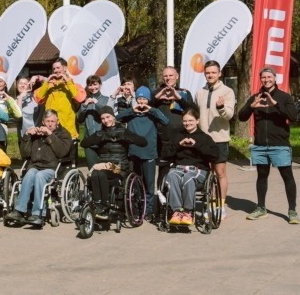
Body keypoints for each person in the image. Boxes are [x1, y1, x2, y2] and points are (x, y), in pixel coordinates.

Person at [237, 66, 300, 224]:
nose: (266, 80)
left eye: (269, 77)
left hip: (280, 145)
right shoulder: (255, 97)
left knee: (287, 177)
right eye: (263, 78)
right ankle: (261, 208)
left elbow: (293, 116)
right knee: (261, 177)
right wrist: (251, 107)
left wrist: (275, 104)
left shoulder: (284, 97)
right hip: (260, 146)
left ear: (275, 78)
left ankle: (292, 210)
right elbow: (241, 117)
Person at [5, 110, 72, 227]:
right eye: (47, 121)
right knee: (30, 173)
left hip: (53, 168)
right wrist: (27, 135)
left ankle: (38, 213)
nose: (50, 124)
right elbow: (25, 154)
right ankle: (19, 211)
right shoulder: (36, 134)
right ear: (43, 122)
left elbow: (62, 152)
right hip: (35, 166)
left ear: (57, 122)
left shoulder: (63, 134)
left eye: (53, 121)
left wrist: (50, 135)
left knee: (40, 176)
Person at [81, 106, 146, 217]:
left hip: (119, 167)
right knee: (96, 174)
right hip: (103, 165)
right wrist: (100, 138)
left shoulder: (123, 131)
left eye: (108, 117)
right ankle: (98, 204)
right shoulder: (100, 133)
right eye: (103, 119)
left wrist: (126, 138)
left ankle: (105, 204)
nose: (106, 121)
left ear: (113, 117)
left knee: (100, 173)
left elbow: (143, 142)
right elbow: (84, 143)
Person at [117, 86, 169, 218]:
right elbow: (117, 118)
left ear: (148, 100)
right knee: (135, 182)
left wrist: (151, 109)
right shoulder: (131, 114)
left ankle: (149, 209)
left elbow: (166, 121)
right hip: (134, 154)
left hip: (149, 154)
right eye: (139, 99)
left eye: (144, 99)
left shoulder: (153, 114)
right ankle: (136, 207)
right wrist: (131, 110)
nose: (141, 102)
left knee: (149, 183)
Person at [195, 60, 235, 220]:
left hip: (220, 139)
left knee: (220, 173)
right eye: (208, 73)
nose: (210, 75)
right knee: (206, 173)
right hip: (203, 140)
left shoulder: (227, 91)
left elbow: (230, 115)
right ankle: (210, 203)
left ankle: (221, 205)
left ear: (219, 73)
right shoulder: (199, 92)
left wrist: (221, 107)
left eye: (213, 72)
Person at [163, 108, 218, 226]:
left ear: (197, 121)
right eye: (185, 121)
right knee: (172, 176)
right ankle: (177, 211)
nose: (187, 123)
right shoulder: (177, 135)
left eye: (191, 121)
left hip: (198, 170)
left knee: (188, 178)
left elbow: (214, 155)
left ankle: (188, 212)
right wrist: (179, 145)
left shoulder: (204, 137)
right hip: (178, 168)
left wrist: (196, 145)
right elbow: (165, 153)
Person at [34, 58, 86, 143]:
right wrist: (47, 82)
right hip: (51, 130)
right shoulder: (48, 86)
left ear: (65, 68)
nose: (55, 71)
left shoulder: (73, 85)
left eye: (58, 68)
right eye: (54, 69)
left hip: (69, 130)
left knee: (70, 156)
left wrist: (68, 83)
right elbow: (38, 99)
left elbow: (80, 98)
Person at [152, 66, 195, 158]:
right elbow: (147, 106)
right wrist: (157, 97)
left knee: (180, 167)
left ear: (177, 76)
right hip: (162, 138)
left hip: (181, 136)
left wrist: (178, 98)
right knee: (163, 169)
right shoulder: (156, 92)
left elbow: (192, 110)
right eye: (165, 76)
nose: (168, 78)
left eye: (171, 75)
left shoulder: (184, 92)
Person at [77, 74, 115, 169]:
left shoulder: (106, 99)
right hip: (89, 140)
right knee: (93, 170)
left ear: (100, 85)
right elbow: (79, 119)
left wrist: (97, 104)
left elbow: (107, 114)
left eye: (95, 84)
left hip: (104, 140)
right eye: (90, 85)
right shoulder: (85, 101)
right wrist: (84, 105)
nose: (93, 87)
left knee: (107, 169)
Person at [0, 72, 22, 152]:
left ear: (5, 84)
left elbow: (19, 115)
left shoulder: (9, 100)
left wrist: (9, 99)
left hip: (1, 129)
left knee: (0, 153)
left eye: (0, 81)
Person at [15, 75, 43, 152]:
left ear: (30, 85)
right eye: (20, 83)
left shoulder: (35, 97)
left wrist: (36, 77)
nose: (23, 85)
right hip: (23, 135)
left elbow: (47, 84)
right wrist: (21, 97)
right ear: (17, 86)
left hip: (37, 134)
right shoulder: (14, 101)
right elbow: (18, 115)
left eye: (25, 83)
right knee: (26, 158)